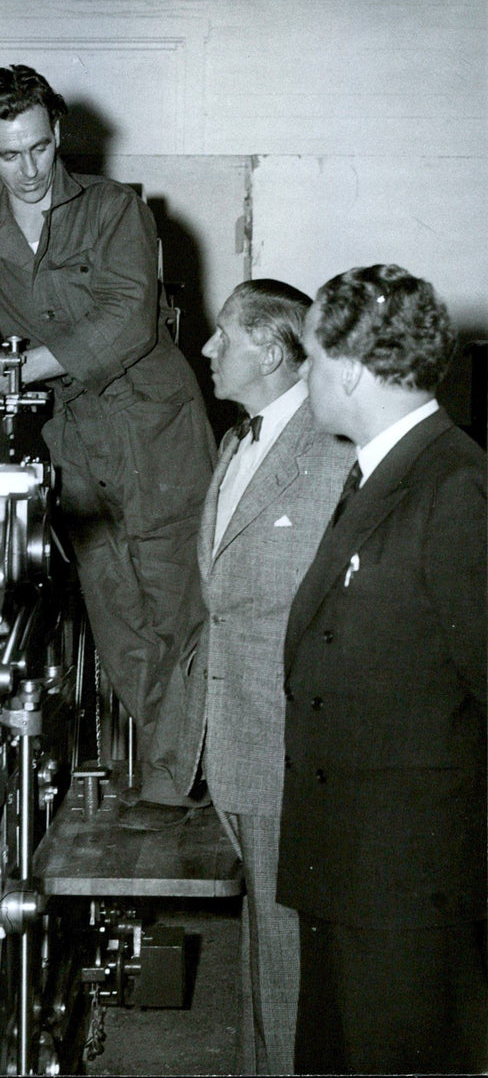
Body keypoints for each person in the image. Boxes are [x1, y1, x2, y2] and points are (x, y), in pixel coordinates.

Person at [0, 65, 216, 803]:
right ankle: (182, 786)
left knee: (186, 611)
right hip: (75, 450)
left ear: (58, 134)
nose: (29, 170)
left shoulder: (114, 210)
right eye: (8, 155)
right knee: (121, 625)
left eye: (39, 149)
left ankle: (210, 779)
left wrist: (14, 375)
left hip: (152, 432)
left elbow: (126, 317)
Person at [277, 264, 487, 1074]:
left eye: (311, 358)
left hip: (411, 886)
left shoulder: (454, 484)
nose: (304, 375)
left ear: (354, 367)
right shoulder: (383, 469)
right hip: (350, 868)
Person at [169, 280, 354, 1072]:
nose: (208, 349)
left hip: (290, 740)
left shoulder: (331, 451)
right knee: (259, 943)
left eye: (222, 336)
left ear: (272, 351)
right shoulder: (234, 442)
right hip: (233, 732)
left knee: (287, 946)